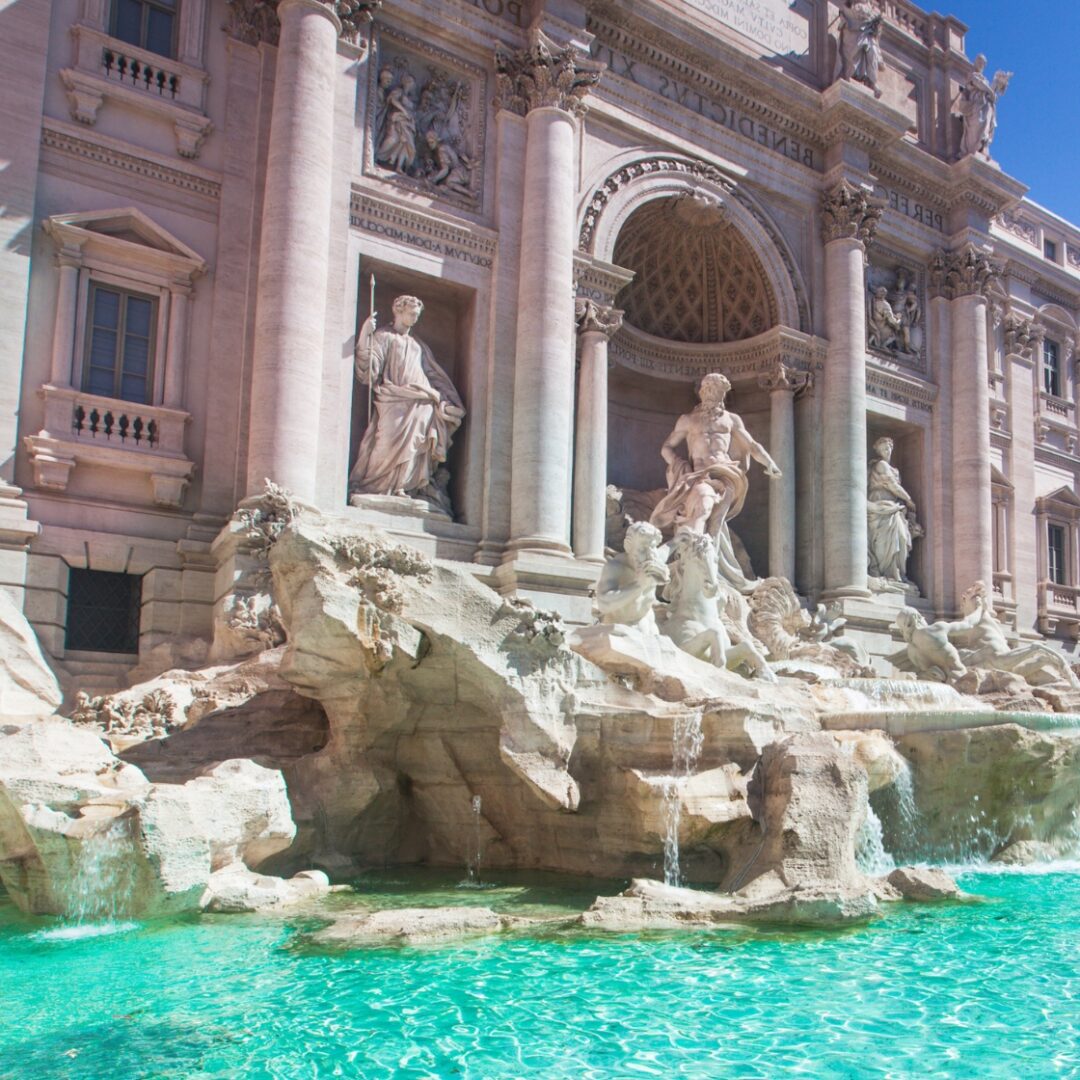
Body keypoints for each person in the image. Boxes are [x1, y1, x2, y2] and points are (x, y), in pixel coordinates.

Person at [650, 373, 780, 590]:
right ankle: (695, 563)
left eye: (715, 389)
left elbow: (752, 445)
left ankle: (711, 570)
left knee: (715, 523)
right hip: (698, 475)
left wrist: (769, 462)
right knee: (703, 506)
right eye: (707, 388)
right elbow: (667, 447)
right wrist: (679, 464)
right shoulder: (688, 420)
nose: (710, 392)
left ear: (723, 393)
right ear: (701, 391)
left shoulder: (731, 419)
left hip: (725, 474)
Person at [350, 295, 464, 509]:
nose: (414, 318)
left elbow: (432, 373)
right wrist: (365, 334)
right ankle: (374, 486)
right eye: (411, 314)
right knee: (385, 442)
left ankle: (405, 487)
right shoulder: (384, 336)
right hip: (394, 398)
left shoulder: (418, 344)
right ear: (398, 311)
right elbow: (369, 369)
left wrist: (445, 397)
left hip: (422, 400)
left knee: (416, 444)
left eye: (417, 315)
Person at [595, 521, 669, 632]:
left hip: (649, 628)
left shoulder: (652, 561)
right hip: (620, 629)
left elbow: (665, 551)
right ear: (628, 546)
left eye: (653, 547)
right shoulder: (615, 568)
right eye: (642, 549)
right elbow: (604, 604)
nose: (650, 555)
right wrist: (639, 585)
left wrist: (678, 539)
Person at [867, 436, 921, 583]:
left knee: (902, 537)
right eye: (883, 449)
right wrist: (908, 499)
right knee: (884, 540)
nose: (887, 451)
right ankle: (885, 573)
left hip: (894, 506)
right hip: (880, 504)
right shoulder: (881, 465)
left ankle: (897, 573)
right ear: (878, 451)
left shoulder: (894, 469)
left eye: (889, 448)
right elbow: (892, 484)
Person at [958, 55, 1010, 158]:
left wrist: (997, 82)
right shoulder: (972, 75)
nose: (980, 64)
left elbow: (988, 92)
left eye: (982, 63)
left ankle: (983, 147)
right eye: (979, 61)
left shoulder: (985, 80)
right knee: (978, 122)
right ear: (975, 62)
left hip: (985, 105)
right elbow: (978, 83)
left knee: (986, 124)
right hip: (975, 105)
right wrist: (990, 91)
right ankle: (973, 148)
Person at [836, 0, 884, 97]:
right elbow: (845, 16)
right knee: (856, 51)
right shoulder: (851, 6)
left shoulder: (871, 9)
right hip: (853, 33)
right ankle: (852, 75)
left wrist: (876, 27)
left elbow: (877, 31)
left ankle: (872, 81)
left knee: (872, 52)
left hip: (867, 35)